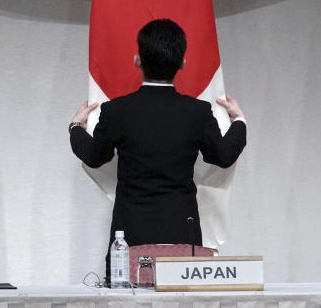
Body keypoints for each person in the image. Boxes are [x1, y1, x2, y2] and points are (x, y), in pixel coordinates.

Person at [69, 18, 247, 274]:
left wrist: (76, 128)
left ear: (137, 60)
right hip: (181, 232)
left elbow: (95, 156)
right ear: (182, 62)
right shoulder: (196, 112)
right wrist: (239, 121)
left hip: (129, 233)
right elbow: (223, 155)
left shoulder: (116, 111)